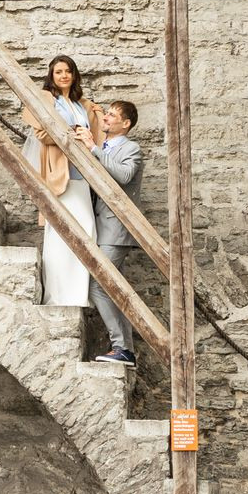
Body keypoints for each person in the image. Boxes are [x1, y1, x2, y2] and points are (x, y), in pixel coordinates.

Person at [23, 54, 101, 309]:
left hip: (82, 175)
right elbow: (42, 132)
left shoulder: (82, 104)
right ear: (52, 76)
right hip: (60, 173)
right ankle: (58, 295)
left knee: (87, 229)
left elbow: (97, 135)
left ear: (74, 74)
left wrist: (87, 134)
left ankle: (78, 293)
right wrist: (68, 136)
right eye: (58, 72)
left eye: (68, 71)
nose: (64, 75)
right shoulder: (48, 100)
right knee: (59, 233)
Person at [88, 100, 143, 366]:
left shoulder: (131, 148)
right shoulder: (105, 146)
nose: (107, 117)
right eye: (106, 113)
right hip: (101, 226)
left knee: (98, 286)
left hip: (116, 229)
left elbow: (124, 175)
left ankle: (121, 347)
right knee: (115, 289)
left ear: (126, 124)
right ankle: (126, 351)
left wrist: (94, 149)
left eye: (113, 115)